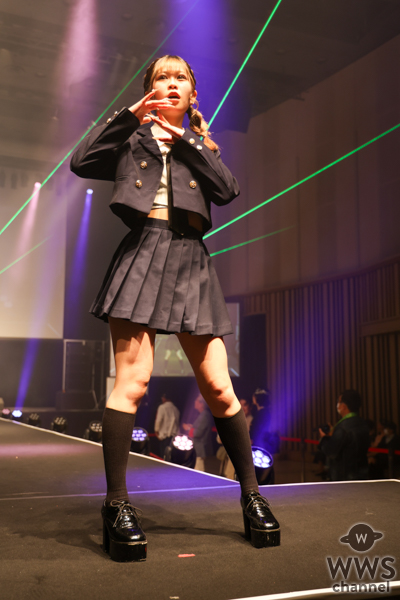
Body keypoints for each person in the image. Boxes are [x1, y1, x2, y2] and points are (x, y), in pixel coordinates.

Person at [71, 54, 279, 562]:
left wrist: (186, 140)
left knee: (219, 388)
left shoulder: (200, 145)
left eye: (179, 78)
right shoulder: (131, 138)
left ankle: (252, 497)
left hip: (190, 258)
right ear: (149, 91)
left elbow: (227, 190)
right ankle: (116, 505)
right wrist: (130, 116)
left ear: (191, 94)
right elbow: (81, 161)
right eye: (160, 77)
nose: (169, 83)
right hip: (143, 251)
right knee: (133, 382)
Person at [318, 389, 370, 481]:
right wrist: (334, 435)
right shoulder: (363, 423)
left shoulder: (342, 427)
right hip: (362, 473)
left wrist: (324, 438)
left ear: (344, 406)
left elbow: (331, 452)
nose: (338, 404)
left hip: (344, 477)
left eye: (339, 401)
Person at [154, 393, 180, 458]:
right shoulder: (176, 409)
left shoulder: (162, 407)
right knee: (170, 457)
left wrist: (156, 431)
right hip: (174, 437)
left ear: (164, 398)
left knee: (163, 456)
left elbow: (158, 420)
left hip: (164, 437)